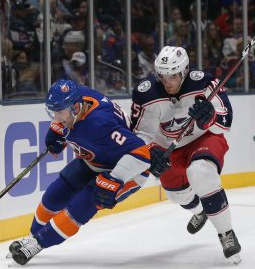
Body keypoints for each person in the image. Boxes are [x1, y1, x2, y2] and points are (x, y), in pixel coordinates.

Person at [8, 79, 152, 265]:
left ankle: (38, 244)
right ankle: (33, 236)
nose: (56, 117)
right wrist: (57, 129)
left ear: (76, 108)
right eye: (53, 112)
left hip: (127, 171)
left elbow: (142, 152)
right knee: (54, 195)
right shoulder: (78, 97)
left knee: (79, 207)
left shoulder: (100, 124)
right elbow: (64, 122)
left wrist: (115, 179)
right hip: (95, 160)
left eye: (59, 112)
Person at [130, 46, 241, 263]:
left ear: (185, 71)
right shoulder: (146, 93)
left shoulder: (203, 83)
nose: (167, 81)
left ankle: (226, 233)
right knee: (175, 195)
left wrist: (209, 118)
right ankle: (201, 211)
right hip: (168, 149)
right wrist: (151, 152)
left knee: (200, 172)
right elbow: (140, 133)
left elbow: (225, 122)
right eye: (162, 76)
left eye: (173, 75)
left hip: (203, 139)